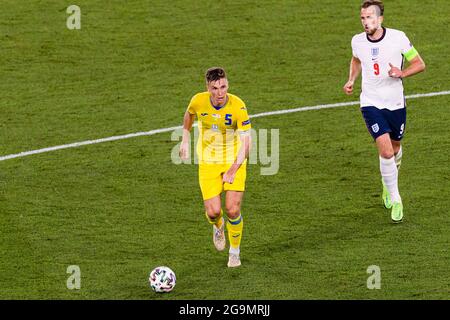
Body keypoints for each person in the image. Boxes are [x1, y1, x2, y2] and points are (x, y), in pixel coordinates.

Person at [343, 0, 425, 223]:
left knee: (396, 147)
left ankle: (387, 179)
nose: (366, 22)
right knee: (386, 152)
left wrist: (402, 73)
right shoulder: (357, 41)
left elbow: (419, 63)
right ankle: (395, 197)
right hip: (370, 102)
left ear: (380, 19)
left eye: (370, 17)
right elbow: (356, 59)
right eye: (362, 18)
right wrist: (351, 79)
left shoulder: (398, 37)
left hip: (396, 103)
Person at [179, 67, 252, 267]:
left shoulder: (238, 106)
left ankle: (234, 252)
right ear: (208, 88)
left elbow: (247, 144)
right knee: (213, 212)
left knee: (232, 209)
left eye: (223, 86)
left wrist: (233, 169)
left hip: (233, 160)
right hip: (208, 162)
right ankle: (218, 226)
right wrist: (185, 139)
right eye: (215, 88)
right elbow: (189, 115)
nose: (220, 93)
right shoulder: (198, 101)